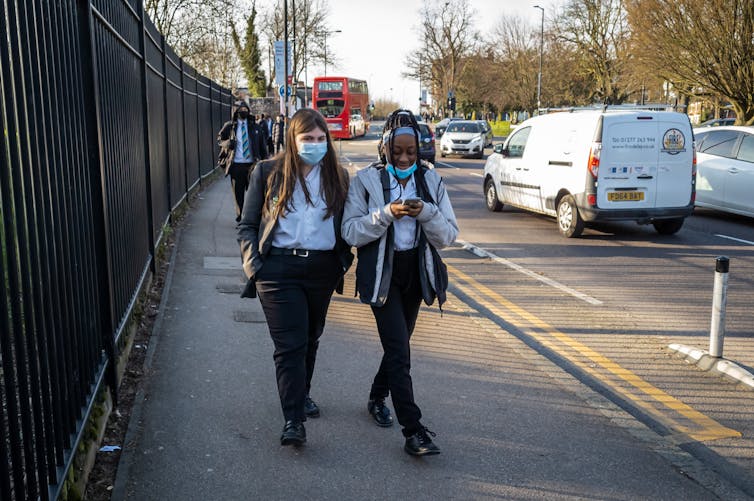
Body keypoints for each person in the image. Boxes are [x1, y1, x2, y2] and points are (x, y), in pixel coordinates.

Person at [342, 109, 458, 456]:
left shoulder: (432, 181)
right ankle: (413, 431)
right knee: (399, 352)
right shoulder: (365, 181)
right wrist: (386, 214)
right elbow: (349, 231)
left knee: (399, 346)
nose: (405, 158)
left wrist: (426, 211)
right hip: (382, 273)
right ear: (385, 150)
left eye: (411, 151)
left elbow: (448, 236)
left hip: (415, 271)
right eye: (397, 152)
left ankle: (377, 397)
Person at [237, 108, 353, 447]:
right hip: (277, 271)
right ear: (293, 139)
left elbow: (349, 226)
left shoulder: (339, 177)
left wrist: (342, 264)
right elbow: (246, 224)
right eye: (308, 139)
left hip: (322, 269)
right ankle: (293, 419)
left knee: (311, 337)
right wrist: (254, 267)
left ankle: (302, 394)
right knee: (290, 346)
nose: (315, 145)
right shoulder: (268, 172)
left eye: (321, 139)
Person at [217, 101, 268, 222]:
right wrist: (227, 143)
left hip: (252, 165)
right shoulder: (229, 126)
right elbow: (219, 140)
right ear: (236, 112)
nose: (243, 112)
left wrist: (265, 163)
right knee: (238, 194)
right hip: (236, 165)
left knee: (253, 194)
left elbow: (262, 146)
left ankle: (251, 218)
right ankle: (240, 217)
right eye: (241, 110)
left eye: (246, 109)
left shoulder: (255, 127)